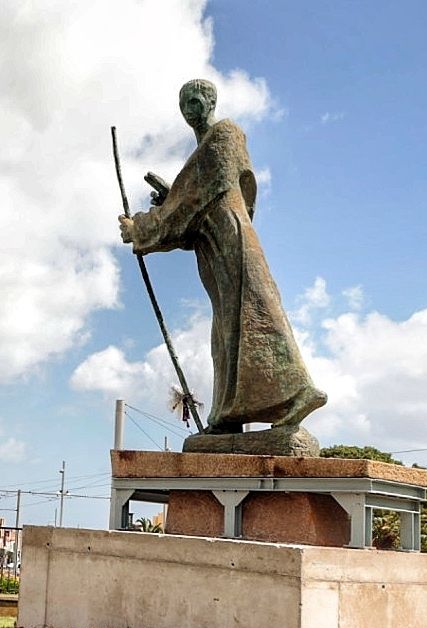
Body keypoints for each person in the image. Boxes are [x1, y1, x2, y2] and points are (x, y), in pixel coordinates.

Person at [119, 78, 326, 434]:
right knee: (228, 329)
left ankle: (298, 392)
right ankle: (230, 413)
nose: (189, 111)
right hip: (215, 243)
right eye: (183, 105)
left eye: (195, 102)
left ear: (211, 101)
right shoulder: (205, 153)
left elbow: (191, 202)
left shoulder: (224, 135)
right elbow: (193, 204)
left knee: (255, 312)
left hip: (232, 238)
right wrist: (174, 200)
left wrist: (139, 227)